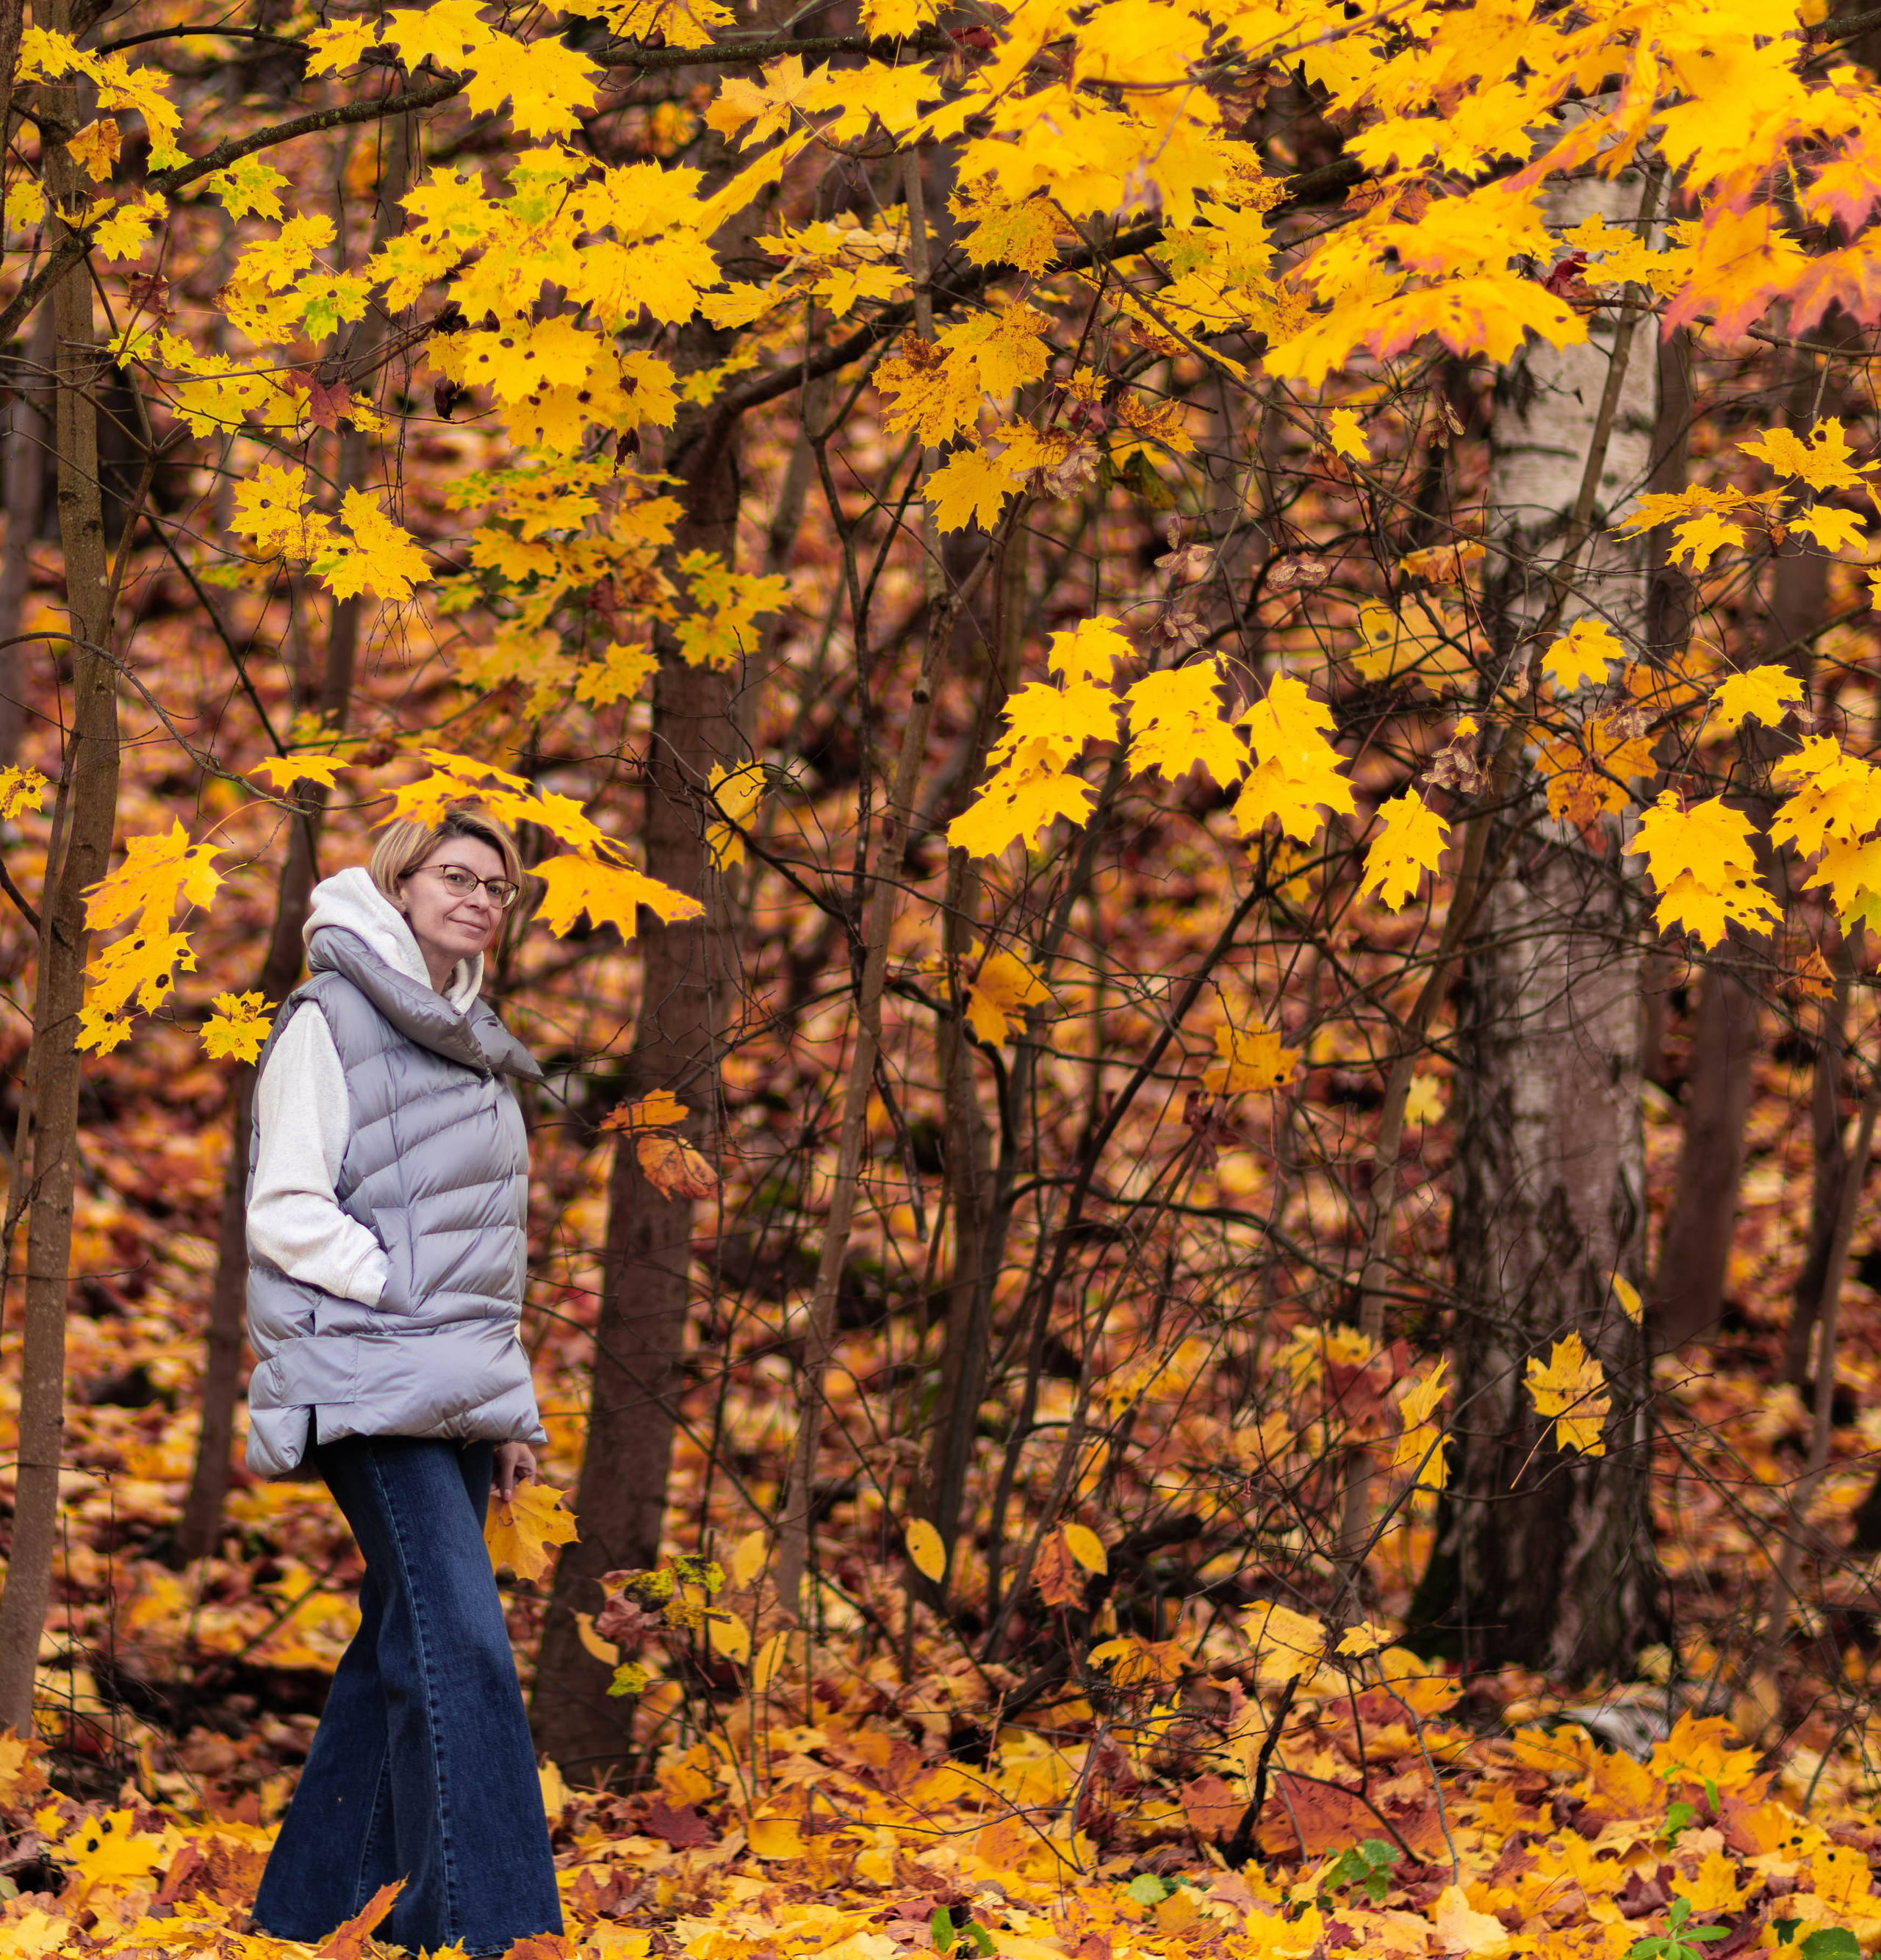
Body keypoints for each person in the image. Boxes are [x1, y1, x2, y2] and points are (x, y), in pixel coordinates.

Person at [245, 805, 564, 1957]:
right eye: (457, 874)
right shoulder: (331, 1017)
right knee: (463, 1643)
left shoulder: (472, 1036)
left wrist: (508, 1408)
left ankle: (309, 1913)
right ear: (401, 881)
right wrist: (392, 1283)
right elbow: (284, 1207)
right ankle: (495, 1933)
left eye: (499, 887)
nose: (480, 897)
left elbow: (486, 1251)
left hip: (450, 1381)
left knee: (406, 1634)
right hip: (367, 1377)